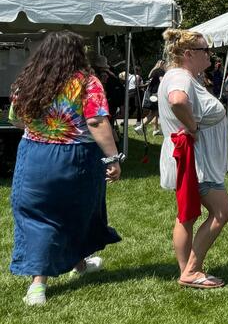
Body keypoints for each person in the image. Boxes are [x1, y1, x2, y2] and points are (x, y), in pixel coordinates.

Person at [7, 32, 123, 306]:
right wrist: (112, 158)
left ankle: (77, 265)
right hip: (75, 157)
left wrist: (42, 131)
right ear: (77, 53)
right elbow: (96, 122)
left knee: (39, 215)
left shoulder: (28, 80)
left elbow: (15, 119)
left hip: (33, 155)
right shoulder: (86, 82)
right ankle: (38, 285)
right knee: (76, 211)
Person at [158, 29, 228, 289]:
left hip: (188, 158)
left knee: (187, 215)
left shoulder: (180, 76)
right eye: (206, 51)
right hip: (196, 161)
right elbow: (177, 100)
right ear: (189, 54)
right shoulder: (181, 77)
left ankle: (187, 271)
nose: (210, 56)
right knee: (222, 211)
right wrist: (192, 126)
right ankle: (191, 270)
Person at [135, 61, 164, 136]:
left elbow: (149, 77)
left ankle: (155, 129)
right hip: (156, 94)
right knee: (155, 112)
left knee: (154, 112)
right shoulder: (161, 71)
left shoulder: (154, 71)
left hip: (151, 94)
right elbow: (162, 82)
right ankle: (141, 126)